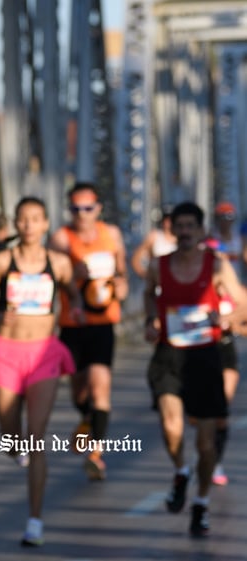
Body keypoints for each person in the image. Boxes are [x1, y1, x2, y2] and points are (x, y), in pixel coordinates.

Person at [0, 197, 82, 547]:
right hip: (6, 352)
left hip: (44, 354)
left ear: (46, 223)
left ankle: (34, 520)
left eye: (35, 219)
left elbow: (72, 293)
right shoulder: (4, 260)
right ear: (17, 224)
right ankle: (14, 448)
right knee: (10, 434)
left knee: (36, 437)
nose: (29, 225)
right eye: (23, 219)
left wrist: (78, 307)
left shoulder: (60, 263)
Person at [143, 200, 246, 538]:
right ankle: (180, 471)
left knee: (205, 443)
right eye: (179, 226)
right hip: (169, 354)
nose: (185, 233)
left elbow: (242, 306)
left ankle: (200, 502)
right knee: (171, 424)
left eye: (191, 227)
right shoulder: (159, 266)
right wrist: (150, 320)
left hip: (204, 357)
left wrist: (227, 319)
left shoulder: (216, 266)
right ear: (172, 230)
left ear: (202, 232)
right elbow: (148, 295)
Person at [48, 181, 128, 481]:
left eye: (88, 208)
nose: (82, 214)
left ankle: (96, 452)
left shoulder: (112, 235)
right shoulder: (61, 239)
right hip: (73, 324)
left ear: (98, 209)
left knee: (100, 387)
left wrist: (122, 286)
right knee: (80, 390)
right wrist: (70, 274)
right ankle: (85, 417)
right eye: (76, 209)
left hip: (104, 323)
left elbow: (122, 274)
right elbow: (47, 277)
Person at [203, 201, 243, 487]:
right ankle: (204, 451)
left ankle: (214, 459)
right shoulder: (208, 243)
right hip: (204, 330)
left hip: (233, 313)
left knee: (221, 404)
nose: (226, 221)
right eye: (222, 217)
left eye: (230, 217)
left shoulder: (239, 241)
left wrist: (235, 317)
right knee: (202, 408)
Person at [130, 206, 176, 278]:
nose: (168, 222)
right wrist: (147, 276)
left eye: (171, 219)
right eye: (166, 219)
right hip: (158, 282)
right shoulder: (154, 236)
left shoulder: (182, 239)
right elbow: (136, 258)